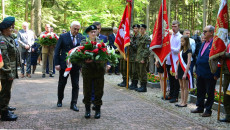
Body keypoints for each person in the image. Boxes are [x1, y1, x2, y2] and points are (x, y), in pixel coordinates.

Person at [54, 21, 85, 111]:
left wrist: (82, 65)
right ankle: (60, 100)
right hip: (65, 65)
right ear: (70, 27)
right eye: (75, 29)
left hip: (76, 65)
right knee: (62, 84)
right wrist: (57, 63)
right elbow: (57, 51)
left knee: (76, 85)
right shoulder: (63, 36)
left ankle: (73, 103)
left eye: (78, 29)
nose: (76, 31)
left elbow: (83, 52)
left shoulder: (81, 37)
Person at [191, 25, 220, 117]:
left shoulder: (215, 44)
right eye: (203, 31)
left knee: (210, 92)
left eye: (205, 31)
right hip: (200, 71)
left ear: (211, 32)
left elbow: (219, 60)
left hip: (210, 72)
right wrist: (197, 70)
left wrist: (217, 73)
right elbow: (200, 56)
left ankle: (208, 110)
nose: (203, 33)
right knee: (200, 90)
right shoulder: (204, 43)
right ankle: (200, 107)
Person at [81, 25, 108, 119]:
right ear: (88, 33)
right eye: (91, 32)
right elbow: (80, 56)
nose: (93, 33)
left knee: (99, 91)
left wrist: (103, 61)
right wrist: (84, 60)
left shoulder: (101, 43)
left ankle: (97, 110)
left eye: (95, 31)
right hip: (87, 70)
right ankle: (87, 110)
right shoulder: (84, 42)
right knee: (87, 91)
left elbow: (106, 55)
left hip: (99, 70)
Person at [0, 16, 20, 121]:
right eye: (10, 27)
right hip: (5, 71)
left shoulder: (8, 37)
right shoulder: (2, 40)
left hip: (10, 69)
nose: (12, 29)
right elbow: (5, 59)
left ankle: (4, 107)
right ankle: (4, 113)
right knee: (5, 91)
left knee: (6, 90)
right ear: (5, 28)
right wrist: (9, 73)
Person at [166, 20, 182, 103]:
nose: (173, 28)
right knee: (170, 79)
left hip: (176, 61)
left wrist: (170, 48)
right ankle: (171, 94)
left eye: (175, 26)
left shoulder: (180, 37)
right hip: (169, 60)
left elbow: (179, 50)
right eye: (172, 26)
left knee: (176, 80)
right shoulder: (171, 36)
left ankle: (175, 96)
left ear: (178, 26)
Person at [175, 35, 192, 107]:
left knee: (185, 87)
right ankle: (181, 101)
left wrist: (185, 73)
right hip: (180, 69)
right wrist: (176, 71)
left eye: (183, 41)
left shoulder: (189, 50)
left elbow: (189, 62)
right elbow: (178, 61)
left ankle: (185, 102)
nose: (181, 42)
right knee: (181, 86)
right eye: (181, 41)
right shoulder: (181, 51)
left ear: (186, 41)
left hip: (185, 70)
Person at [135, 24, 151, 92]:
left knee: (143, 72)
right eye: (140, 29)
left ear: (144, 29)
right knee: (139, 72)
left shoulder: (147, 38)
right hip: (139, 57)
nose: (140, 30)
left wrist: (143, 58)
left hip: (143, 58)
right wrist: (137, 57)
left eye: (142, 29)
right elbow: (138, 48)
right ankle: (141, 85)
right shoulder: (140, 37)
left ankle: (144, 87)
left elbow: (147, 49)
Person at [219, 45, 230, 123]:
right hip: (227, 72)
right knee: (227, 95)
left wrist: (224, 54)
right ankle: (228, 116)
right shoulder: (228, 43)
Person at [128, 24, 140, 90]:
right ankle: (132, 83)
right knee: (131, 70)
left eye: (136, 28)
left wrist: (131, 42)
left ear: (138, 29)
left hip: (136, 56)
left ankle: (135, 84)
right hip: (131, 55)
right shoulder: (132, 37)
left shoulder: (139, 37)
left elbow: (136, 47)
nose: (135, 30)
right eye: (134, 28)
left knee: (135, 71)